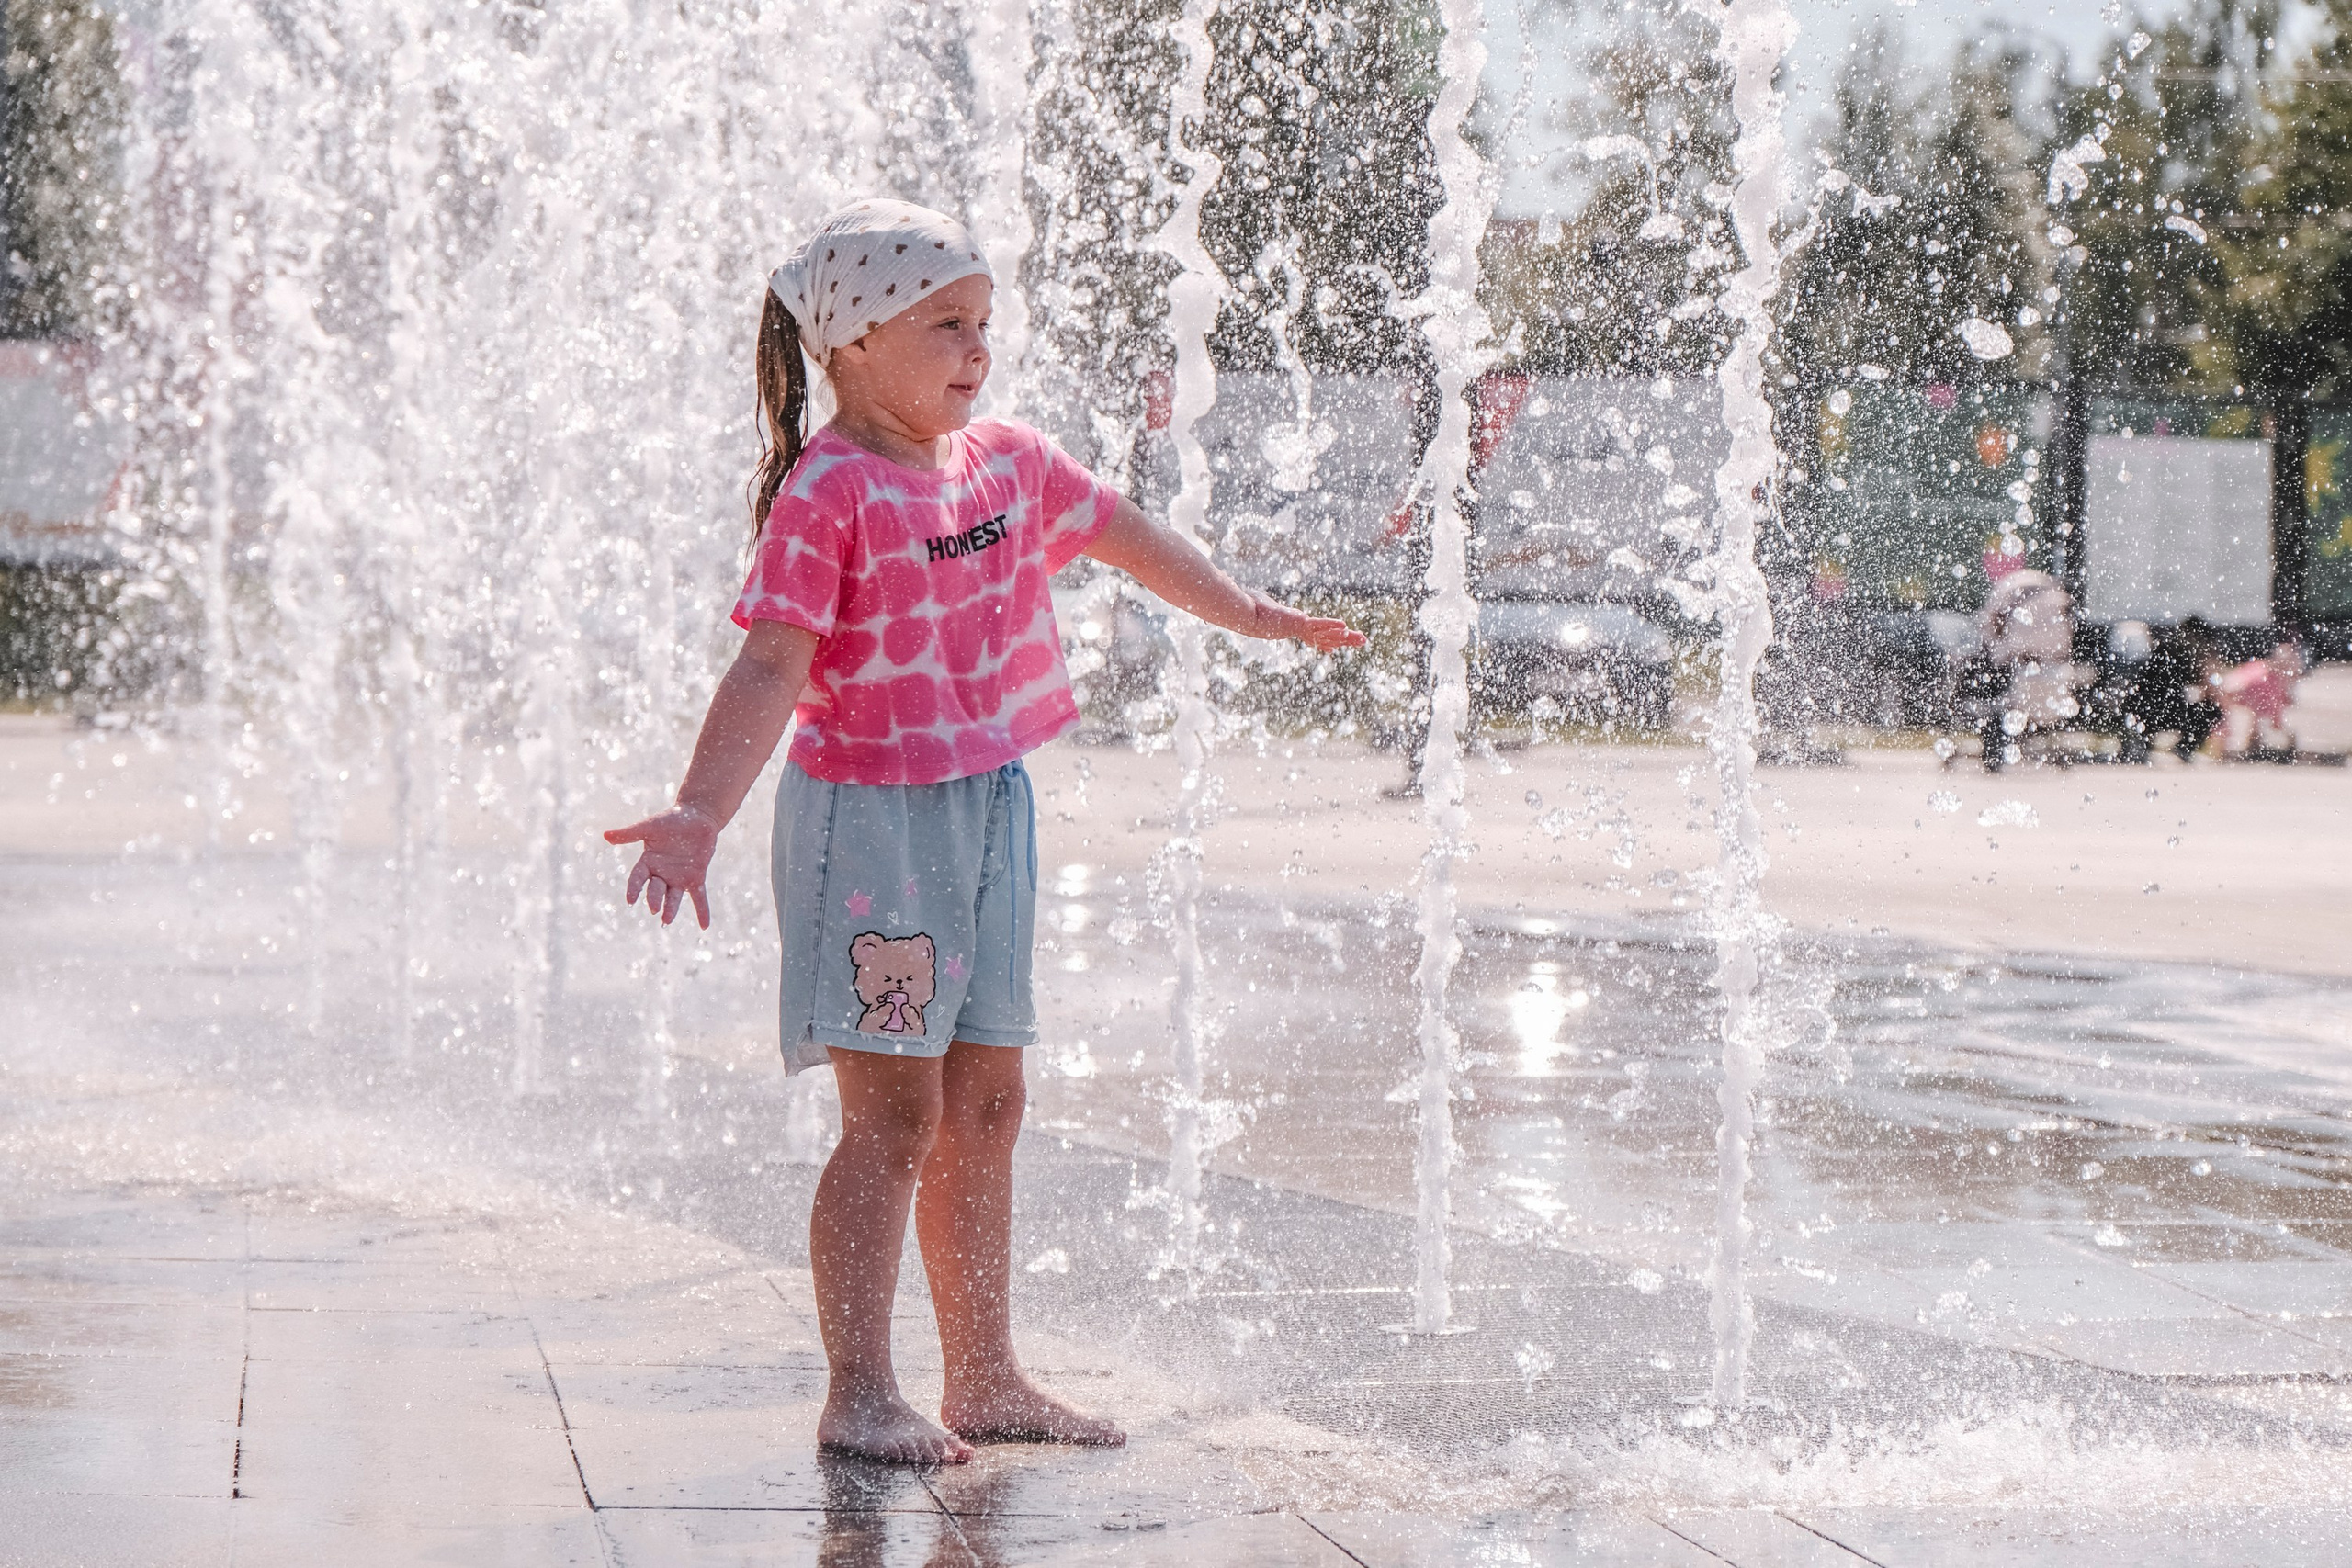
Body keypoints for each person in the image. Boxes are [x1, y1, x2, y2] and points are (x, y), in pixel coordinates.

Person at [601, 200, 1363, 1467]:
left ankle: (987, 1372)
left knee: (990, 1100)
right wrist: (698, 811)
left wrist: (1242, 610)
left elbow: (1123, 534)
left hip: (990, 803)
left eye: (983, 324)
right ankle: (858, 1386)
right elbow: (771, 662)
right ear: (850, 346)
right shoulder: (830, 489)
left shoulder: (1003, 459)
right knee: (891, 1116)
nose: (977, 349)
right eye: (945, 325)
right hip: (872, 824)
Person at [2218, 637, 2307, 757]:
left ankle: (2252, 744)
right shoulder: (2270, 678)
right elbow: (2273, 710)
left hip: (2237, 689)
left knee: (2257, 717)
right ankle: (2249, 745)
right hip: (2235, 690)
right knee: (2254, 717)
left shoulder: (2274, 677)